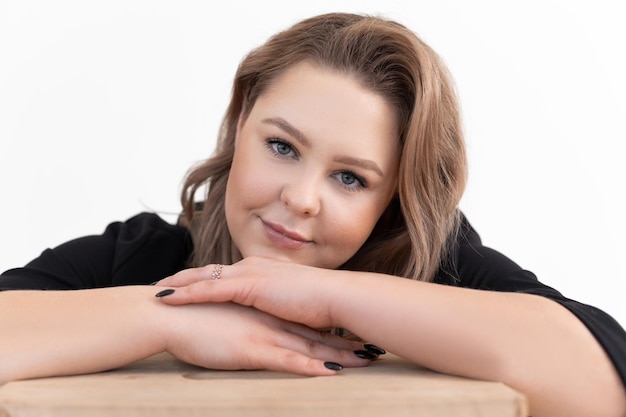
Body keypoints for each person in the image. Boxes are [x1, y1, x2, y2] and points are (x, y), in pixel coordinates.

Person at [1, 12, 625, 417]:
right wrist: (169, 319)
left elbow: (605, 387)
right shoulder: (144, 255)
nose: (302, 197)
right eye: (282, 147)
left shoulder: (442, 268)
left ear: (394, 198)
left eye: (351, 178)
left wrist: (326, 296)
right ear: (242, 119)